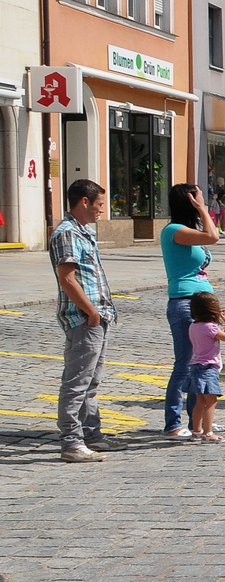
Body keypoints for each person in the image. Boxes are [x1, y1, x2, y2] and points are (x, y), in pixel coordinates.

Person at [50, 180, 121, 462]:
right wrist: (90, 311)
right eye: (100, 204)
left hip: (99, 315)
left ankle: (92, 434)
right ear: (84, 202)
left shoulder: (84, 232)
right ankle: (71, 441)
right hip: (84, 318)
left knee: (92, 381)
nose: (102, 210)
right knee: (77, 382)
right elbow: (67, 278)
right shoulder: (67, 233)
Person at [161, 183, 221, 440]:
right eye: (197, 197)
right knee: (185, 364)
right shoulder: (174, 230)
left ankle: (198, 422)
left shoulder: (189, 230)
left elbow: (210, 234)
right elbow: (213, 237)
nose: (202, 200)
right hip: (185, 303)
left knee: (203, 364)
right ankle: (173, 424)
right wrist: (203, 208)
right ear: (189, 201)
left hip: (200, 303)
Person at [185, 293, 225, 443]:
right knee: (211, 401)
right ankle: (208, 432)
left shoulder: (193, 326)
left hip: (195, 366)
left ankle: (196, 431)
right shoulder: (210, 327)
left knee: (199, 401)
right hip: (208, 368)